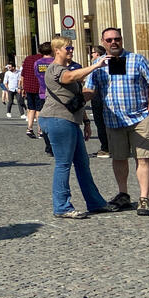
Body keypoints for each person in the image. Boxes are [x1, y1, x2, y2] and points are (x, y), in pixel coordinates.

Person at [84, 27, 149, 216]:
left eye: (116, 39)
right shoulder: (97, 64)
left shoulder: (137, 59)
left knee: (143, 158)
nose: (113, 42)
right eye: (109, 40)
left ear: (122, 39)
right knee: (118, 158)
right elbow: (90, 90)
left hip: (140, 117)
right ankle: (123, 194)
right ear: (103, 42)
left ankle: (144, 198)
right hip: (112, 119)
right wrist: (69, 97)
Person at [37, 38, 109, 218]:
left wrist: (86, 121)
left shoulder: (66, 68)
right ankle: (61, 206)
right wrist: (95, 66)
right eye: (67, 48)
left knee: (83, 163)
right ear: (57, 50)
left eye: (72, 48)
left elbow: (76, 99)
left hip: (70, 120)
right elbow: (70, 78)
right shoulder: (55, 69)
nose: (71, 50)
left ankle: (95, 202)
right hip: (57, 120)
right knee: (63, 164)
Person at [89, 47, 110, 158]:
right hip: (108, 99)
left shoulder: (96, 63)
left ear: (97, 53)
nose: (91, 55)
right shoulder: (119, 60)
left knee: (101, 124)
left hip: (98, 98)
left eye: (92, 53)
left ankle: (106, 148)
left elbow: (90, 85)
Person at [20, 46, 45, 137]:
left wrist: (22, 87)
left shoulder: (28, 59)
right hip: (40, 87)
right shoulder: (43, 60)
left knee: (31, 108)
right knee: (39, 109)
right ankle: (40, 130)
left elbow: (23, 74)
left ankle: (29, 128)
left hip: (29, 87)